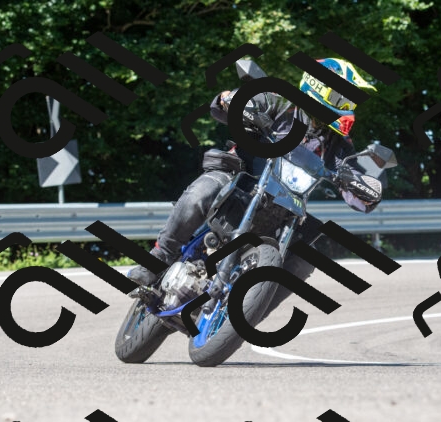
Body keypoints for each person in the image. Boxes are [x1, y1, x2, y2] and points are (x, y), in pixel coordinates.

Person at [128, 58, 386, 320]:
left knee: (306, 258)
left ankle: (247, 316)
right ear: (318, 86)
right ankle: (158, 258)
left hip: (286, 204)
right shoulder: (280, 101)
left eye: (350, 100)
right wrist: (234, 102)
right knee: (201, 193)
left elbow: (353, 177)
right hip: (241, 175)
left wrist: (363, 186)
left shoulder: (337, 144)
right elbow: (222, 105)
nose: (347, 105)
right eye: (342, 96)